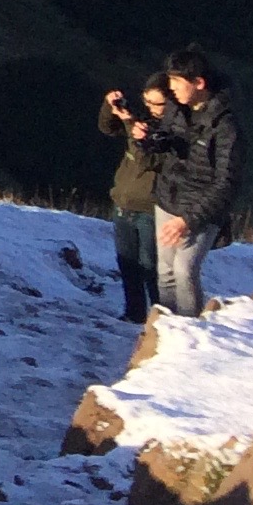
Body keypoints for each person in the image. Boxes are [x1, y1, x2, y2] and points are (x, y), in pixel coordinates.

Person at [150, 45, 243, 318]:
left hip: (200, 209)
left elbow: (226, 183)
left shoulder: (226, 128)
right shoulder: (177, 110)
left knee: (184, 270)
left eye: (177, 82)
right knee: (165, 271)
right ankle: (163, 331)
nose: (171, 88)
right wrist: (151, 141)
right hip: (169, 198)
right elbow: (166, 142)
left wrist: (188, 220)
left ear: (198, 83)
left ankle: (190, 334)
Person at [98, 72, 170, 322]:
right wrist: (111, 108)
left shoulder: (171, 132)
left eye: (156, 103)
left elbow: (147, 159)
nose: (150, 108)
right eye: (146, 101)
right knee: (127, 264)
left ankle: (160, 319)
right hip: (124, 201)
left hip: (150, 207)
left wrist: (134, 128)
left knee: (151, 267)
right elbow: (107, 127)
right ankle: (134, 313)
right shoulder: (143, 121)